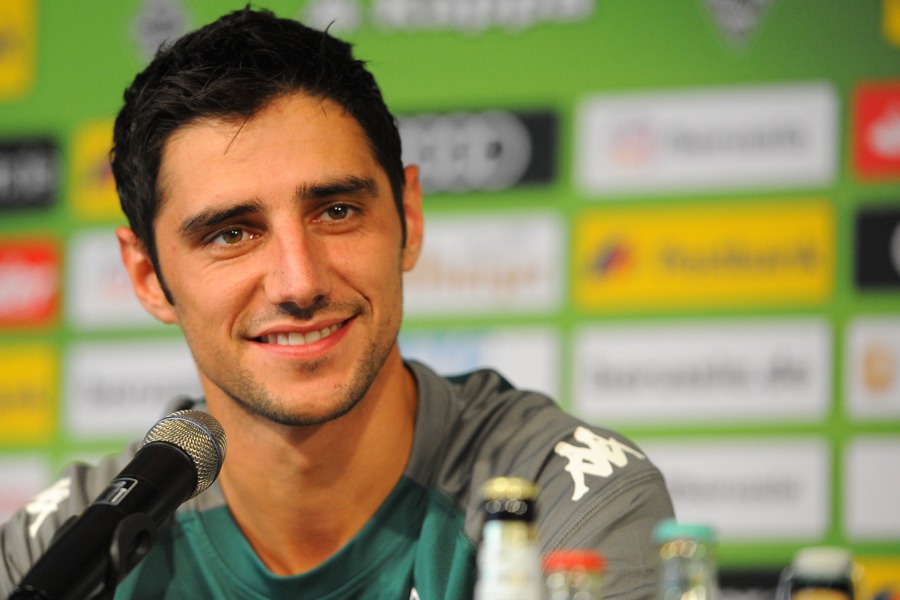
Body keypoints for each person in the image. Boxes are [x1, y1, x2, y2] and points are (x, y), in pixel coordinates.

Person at [0, 7, 674, 599]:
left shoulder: (567, 503)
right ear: (148, 276)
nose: (299, 282)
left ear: (407, 215)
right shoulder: (62, 553)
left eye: (337, 211)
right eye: (232, 233)